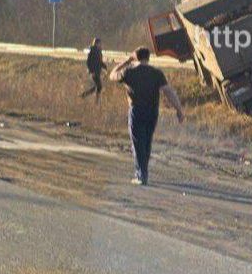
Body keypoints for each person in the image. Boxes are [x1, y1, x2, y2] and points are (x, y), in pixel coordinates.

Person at [109, 46, 184, 185]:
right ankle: (143, 172)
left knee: (138, 142)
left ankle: (141, 175)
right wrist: (179, 110)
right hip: (152, 111)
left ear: (136, 57)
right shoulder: (156, 73)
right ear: (148, 58)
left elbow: (112, 74)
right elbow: (169, 92)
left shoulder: (128, 72)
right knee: (146, 142)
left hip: (136, 110)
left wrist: (127, 60)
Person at [79, 37, 105, 102]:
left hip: (97, 71)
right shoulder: (92, 51)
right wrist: (91, 71)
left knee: (97, 87)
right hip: (94, 72)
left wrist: (105, 67)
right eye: (99, 43)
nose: (101, 44)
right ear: (96, 43)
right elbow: (88, 62)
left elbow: (100, 61)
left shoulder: (99, 51)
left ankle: (83, 95)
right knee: (99, 86)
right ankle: (96, 101)